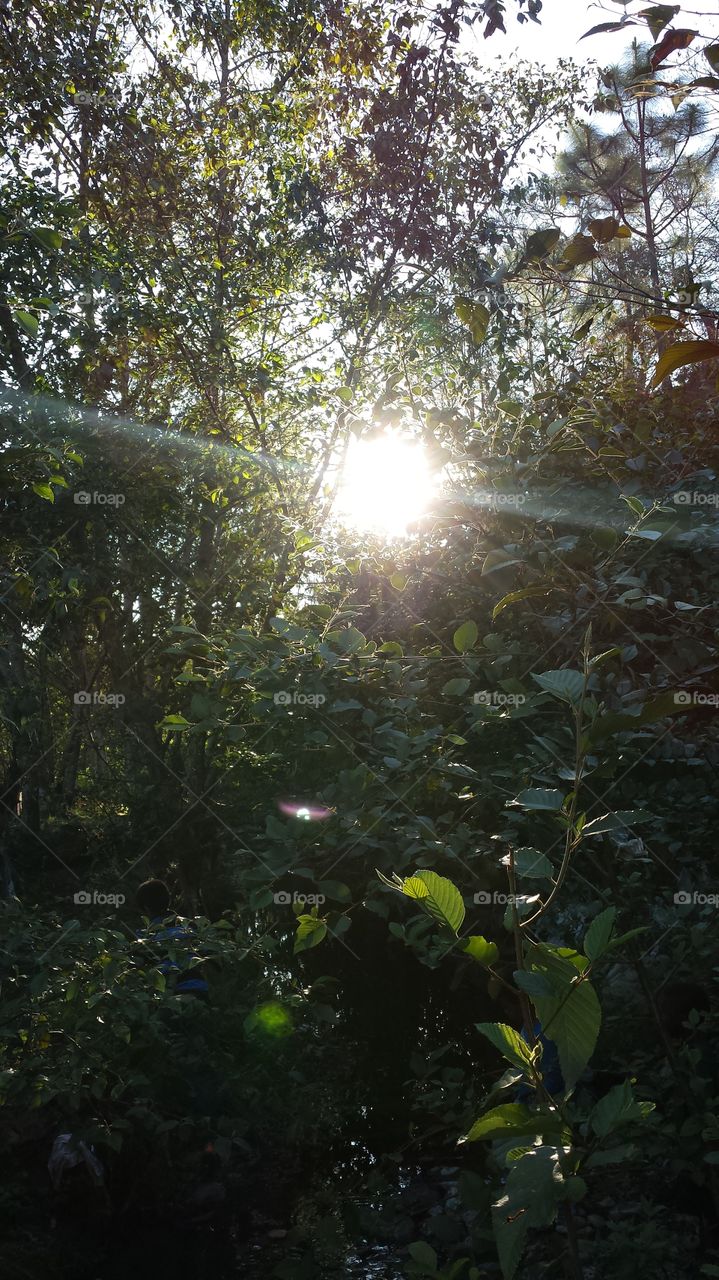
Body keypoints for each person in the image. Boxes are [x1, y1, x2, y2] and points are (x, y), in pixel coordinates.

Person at [135, 878, 209, 999]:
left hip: (169, 997)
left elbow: (138, 967)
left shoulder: (144, 937)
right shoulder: (190, 926)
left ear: (146, 908)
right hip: (199, 990)